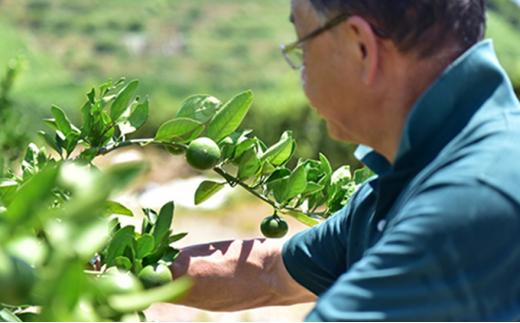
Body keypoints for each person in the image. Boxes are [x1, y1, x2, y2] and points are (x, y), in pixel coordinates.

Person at [170, 0, 520, 320]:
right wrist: (132, 266)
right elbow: (269, 272)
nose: (302, 70)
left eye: (303, 47)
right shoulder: (407, 182)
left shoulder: (475, 196)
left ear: (361, 47)